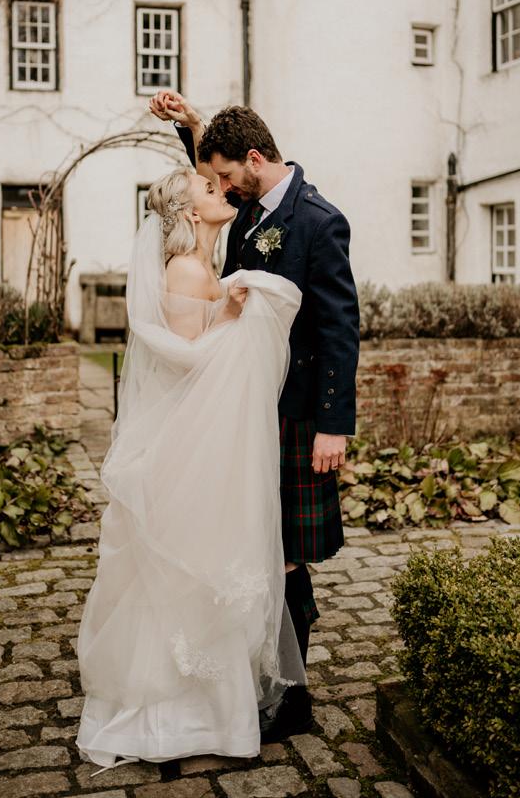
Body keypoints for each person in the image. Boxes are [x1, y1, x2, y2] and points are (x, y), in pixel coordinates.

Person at [77, 163, 305, 770]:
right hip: (189, 443)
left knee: (212, 567)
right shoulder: (185, 269)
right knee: (189, 571)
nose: (220, 188)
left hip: (213, 438)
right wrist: (230, 317)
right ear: (188, 212)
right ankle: (172, 722)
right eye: (208, 187)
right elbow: (185, 363)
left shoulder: (206, 266)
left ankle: (213, 718)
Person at [150, 92, 360, 742]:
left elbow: (340, 328)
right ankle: (258, 677)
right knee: (251, 546)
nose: (220, 187)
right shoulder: (246, 206)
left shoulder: (318, 221)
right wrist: (193, 126)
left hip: (294, 414)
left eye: (225, 175)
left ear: (254, 159)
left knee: (288, 552)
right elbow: (203, 192)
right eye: (213, 180)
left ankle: (292, 698)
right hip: (243, 410)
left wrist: (333, 424)